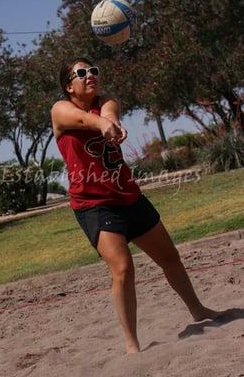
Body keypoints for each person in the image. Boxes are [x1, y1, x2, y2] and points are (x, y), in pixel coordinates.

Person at [51, 57, 221, 354]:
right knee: (123, 268)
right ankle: (132, 344)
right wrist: (102, 123)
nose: (90, 75)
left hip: (129, 196)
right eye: (81, 73)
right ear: (69, 85)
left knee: (170, 257)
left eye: (94, 70)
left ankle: (198, 309)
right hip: (94, 206)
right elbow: (84, 120)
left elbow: (109, 110)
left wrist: (110, 120)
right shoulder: (60, 110)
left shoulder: (107, 101)